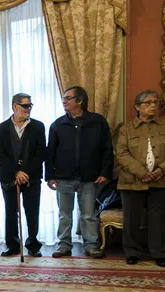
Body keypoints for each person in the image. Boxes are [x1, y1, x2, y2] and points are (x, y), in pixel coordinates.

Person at [116, 90, 165, 267]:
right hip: (132, 180)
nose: (153, 105)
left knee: (160, 219)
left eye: (155, 102)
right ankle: (133, 252)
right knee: (132, 219)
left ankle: (159, 253)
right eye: (148, 103)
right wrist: (141, 172)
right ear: (137, 107)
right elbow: (121, 154)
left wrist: (161, 169)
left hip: (164, 179)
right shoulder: (126, 129)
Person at [46, 86, 113, 258]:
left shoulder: (97, 122)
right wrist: (50, 176)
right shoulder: (58, 124)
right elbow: (50, 152)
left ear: (80, 101)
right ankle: (64, 245)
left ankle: (91, 245)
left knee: (88, 214)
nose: (64, 101)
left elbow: (107, 149)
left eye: (68, 98)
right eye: (63, 98)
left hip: (89, 176)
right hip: (63, 177)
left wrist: (105, 172)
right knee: (64, 214)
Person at [0, 93, 47, 257]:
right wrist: (16, 172)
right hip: (9, 177)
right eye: (25, 105)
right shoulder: (1, 128)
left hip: (32, 177)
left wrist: (25, 172)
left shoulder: (38, 126)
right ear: (15, 107)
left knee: (32, 212)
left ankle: (32, 244)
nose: (29, 108)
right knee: (11, 212)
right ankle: (12, 245)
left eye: (30, 105)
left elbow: (41, 153)